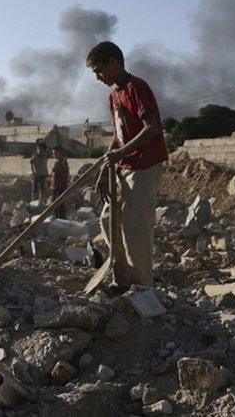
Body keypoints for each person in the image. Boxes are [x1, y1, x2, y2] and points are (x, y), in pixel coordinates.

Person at [86, 41, 169, 289]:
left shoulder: (136, 87)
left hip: (143, 167)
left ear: (114, 62)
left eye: (100, 71)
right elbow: (118, 134)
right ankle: (122, 281)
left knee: (135, 230)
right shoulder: (114, 96)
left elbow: (152, 128)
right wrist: (105, 167)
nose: (99, 78)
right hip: (124, 167)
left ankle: (142, 288)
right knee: (108, 221)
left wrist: (121, 152)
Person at [49, 147, 70, 219]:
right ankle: (57, 219)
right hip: (55, 186)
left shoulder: (63, 162)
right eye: (53, 153)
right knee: (54, 204)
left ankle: (61, 219)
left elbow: (65, 172)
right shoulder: (57, 162)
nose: (53, 155)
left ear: (60, 153)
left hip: (60, 186)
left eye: (55, 153)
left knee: (60, 204)